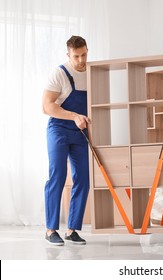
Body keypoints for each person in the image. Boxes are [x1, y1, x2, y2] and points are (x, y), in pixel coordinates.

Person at [42, 35, 90, 246]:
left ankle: (72, 230)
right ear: (68, 55)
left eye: (84, 54)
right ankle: (50, 229)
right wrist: (74, 116)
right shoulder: (59, 73)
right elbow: (46, 106)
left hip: (80, 131)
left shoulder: (92, 72)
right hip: (59, 129)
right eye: (76, 56)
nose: (81, 60)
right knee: (58, 176)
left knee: (83, 178)